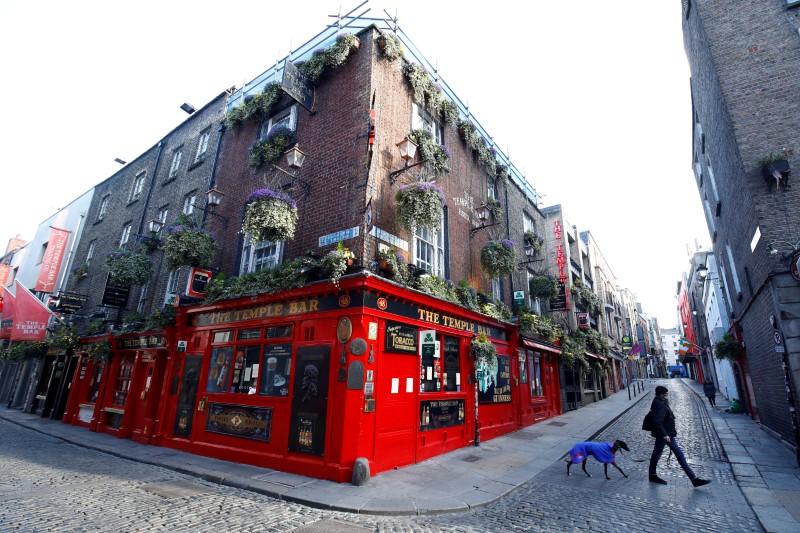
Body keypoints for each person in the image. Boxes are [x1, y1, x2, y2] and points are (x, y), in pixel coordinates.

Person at [648, 385, 711, 487]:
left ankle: (693, 479)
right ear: (661, 394)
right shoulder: (659, 404)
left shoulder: (662, 401)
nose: (667, 394)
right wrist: (664, 435)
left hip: (668, 434)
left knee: (672, 454)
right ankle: (653, 475)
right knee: (662, 454)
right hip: (664, 435)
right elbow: (657, 421)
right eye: (666, 393)